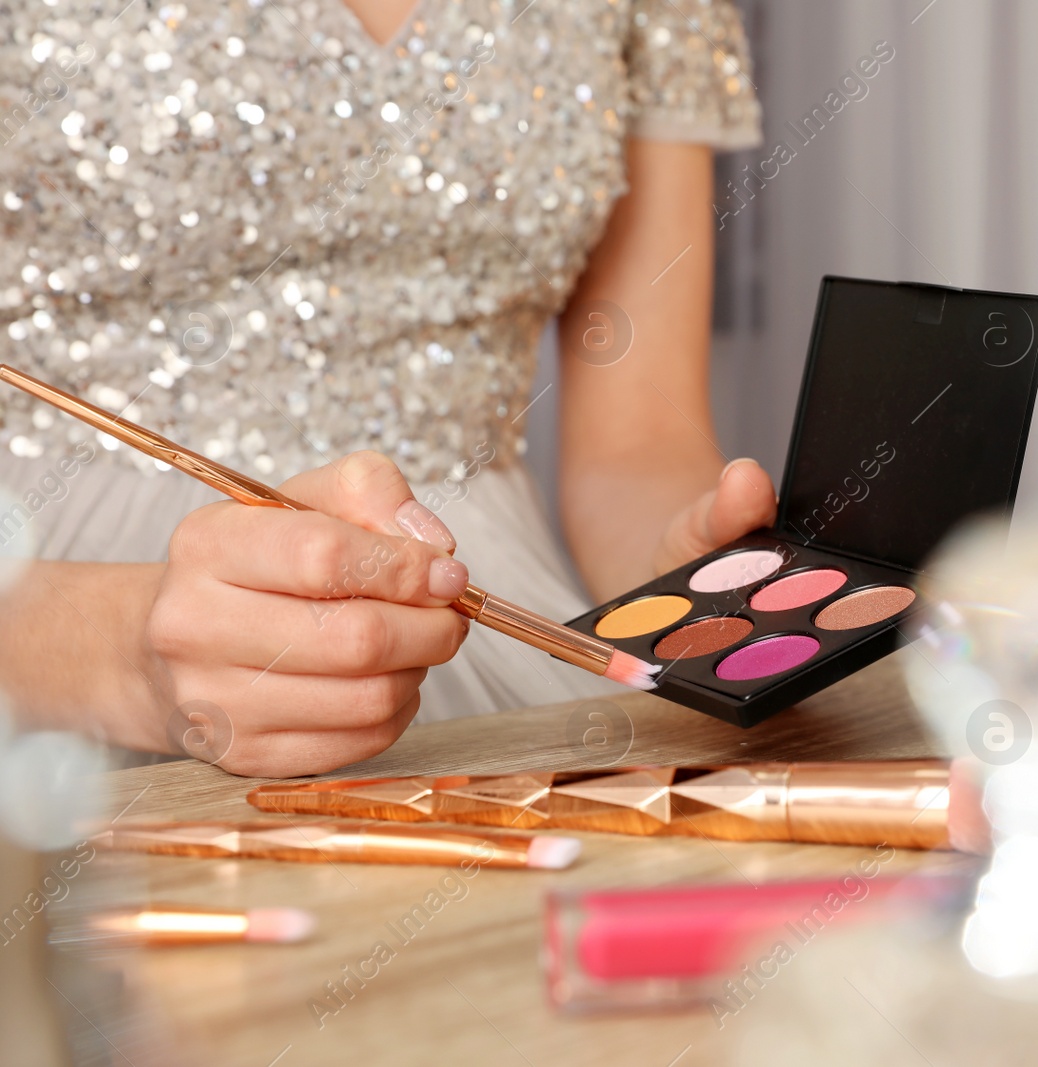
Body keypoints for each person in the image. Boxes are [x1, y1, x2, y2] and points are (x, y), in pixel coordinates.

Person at [0, 0, 777, 775]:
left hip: (479, 632)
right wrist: (127, 652)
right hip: (46, 649)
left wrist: (684, 572)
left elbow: (637, 440)